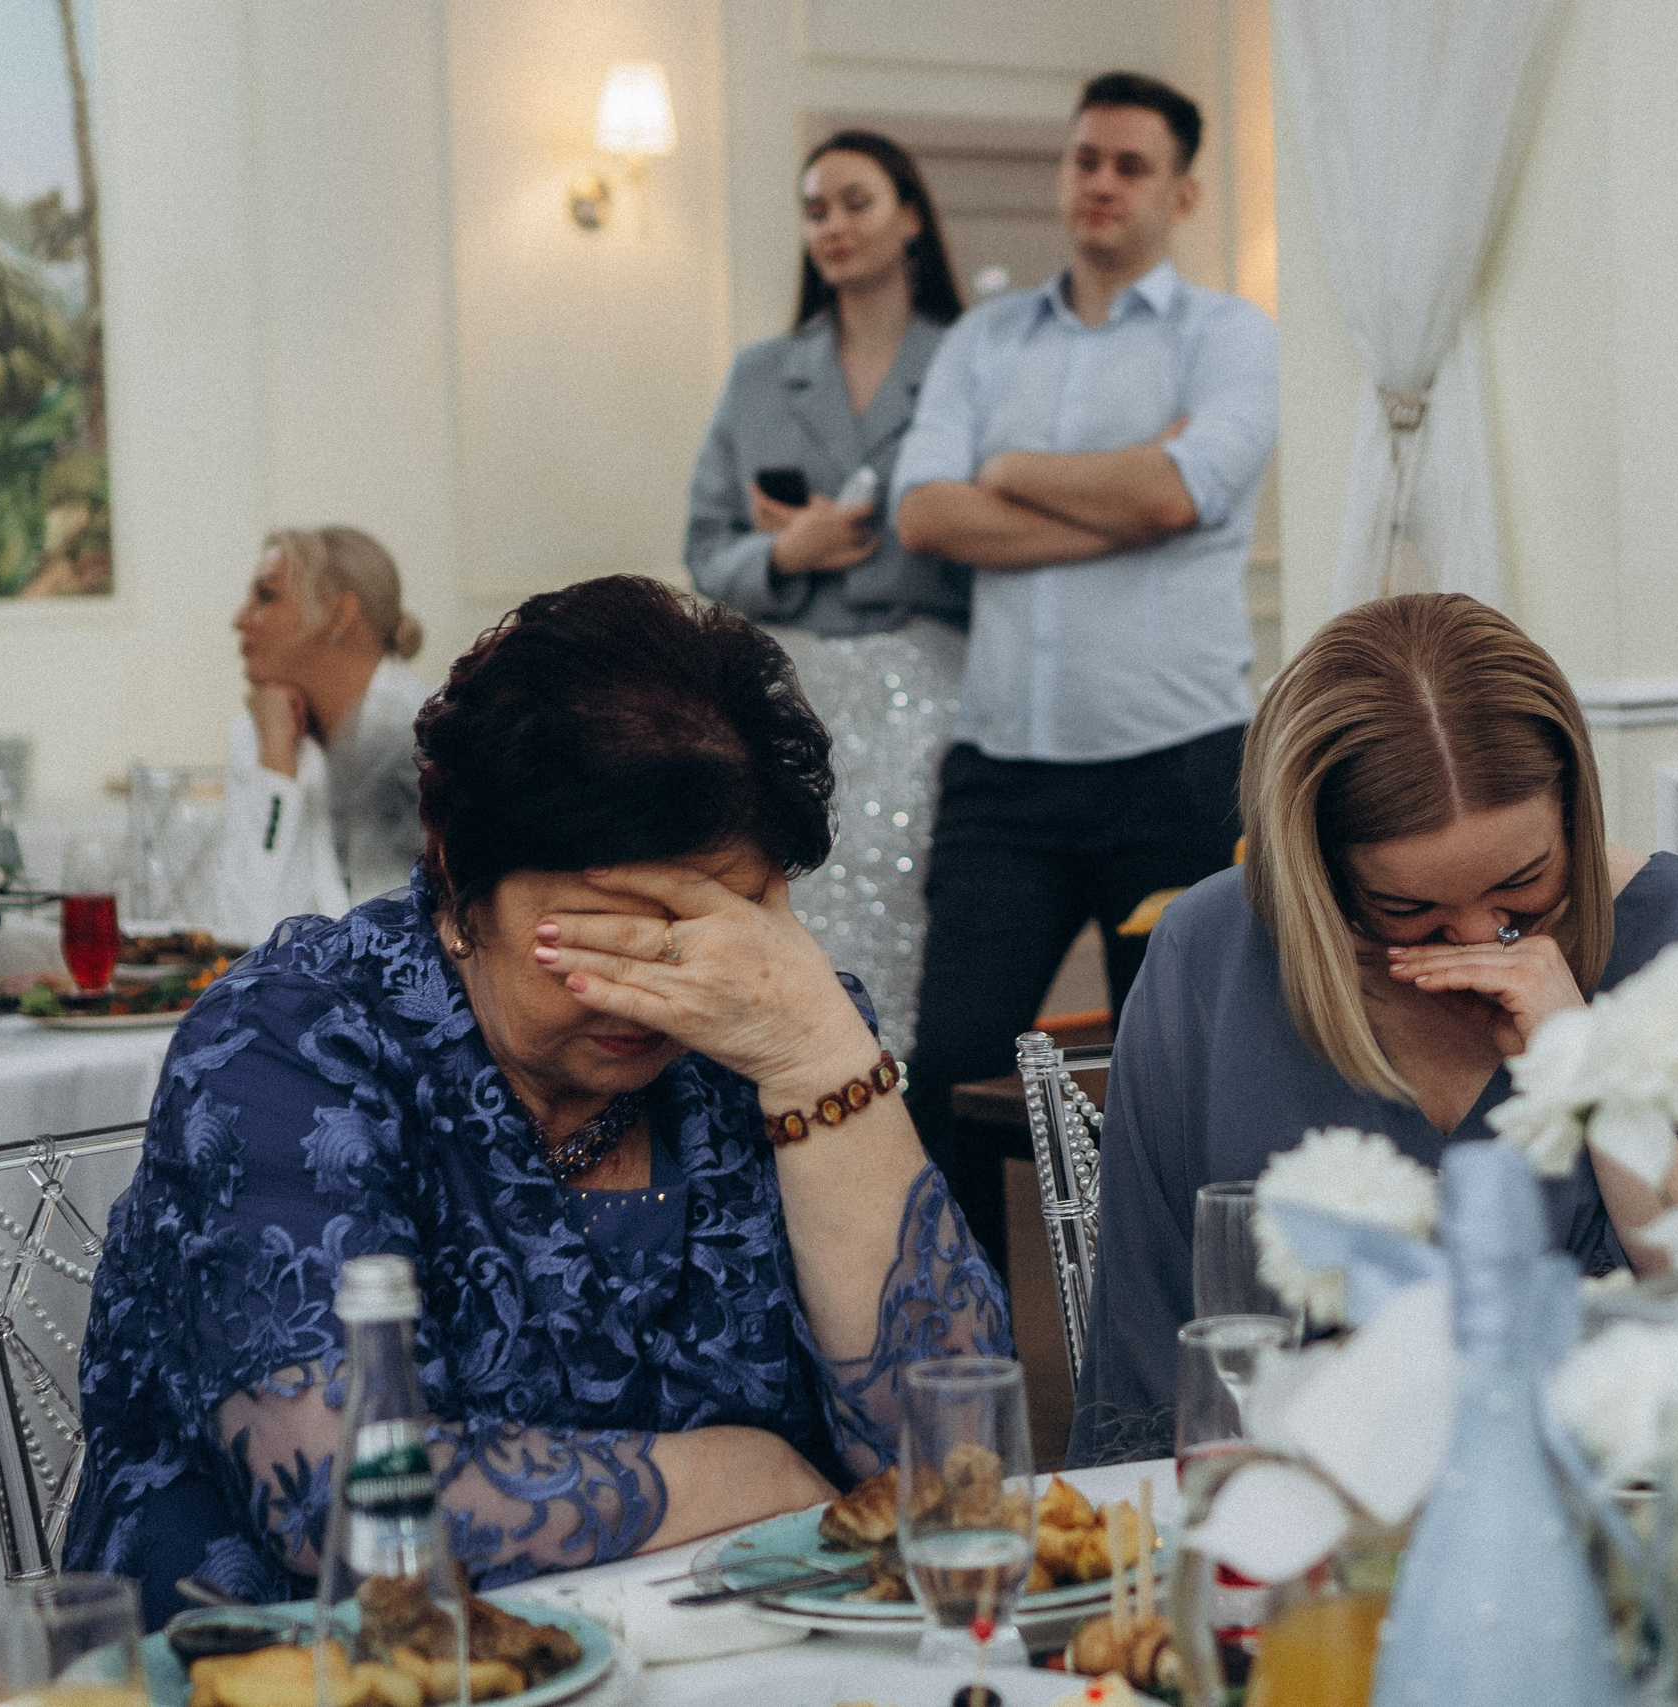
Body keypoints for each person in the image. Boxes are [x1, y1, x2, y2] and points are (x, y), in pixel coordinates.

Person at [68, 577, 1009, 1623]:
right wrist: (745, 1476)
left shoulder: (760, 1021)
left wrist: (822, 1067)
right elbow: (336, 1502)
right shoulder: (287, 1052)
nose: (656, 986)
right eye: (602, 931)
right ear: (456, 860)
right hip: (319, 1668)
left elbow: (955, 1465)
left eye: (714, 918)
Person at [1066, 595, 1678, 1466]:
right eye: (1407, 908)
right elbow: (1159, 1365)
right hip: (1294, 1555)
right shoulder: (1208, 957)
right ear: (1322, 869)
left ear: (1575, 810)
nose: (1475, 938)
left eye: (1523, 883)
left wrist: (1590, 1073)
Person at [890, 71, 1279, 1266]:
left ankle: (1171, 1357)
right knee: (950, 1067)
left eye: (1129, 166)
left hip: (1177, 761)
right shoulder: (983, 339)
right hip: (1005, 769)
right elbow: (921, 514)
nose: (1099, 183)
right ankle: (962, 1356)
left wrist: (1007, 470)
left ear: (1181, 190)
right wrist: (1114, 499)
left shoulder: (1229, 335)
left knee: (1177, 1082)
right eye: (1085, 160)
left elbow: (1179, 489)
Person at [686, 130, 970, 1060]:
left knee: (914, 926)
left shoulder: (969, 359)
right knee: (799, 905)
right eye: (816, 209)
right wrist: (787, 554)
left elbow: (995, 534)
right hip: (795, 687)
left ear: (911, 218)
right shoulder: (762, 372)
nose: (833, 225)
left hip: (927, 685)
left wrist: (895, 543)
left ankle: (900, 1141)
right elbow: (706, 550)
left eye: (857, 202)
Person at [217, 526, 429, 941]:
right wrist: (278, 763)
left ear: (339, 615)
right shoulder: (259, 736)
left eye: (266, 596)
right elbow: (251, 933)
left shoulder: (429, 738)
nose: (239, 621)